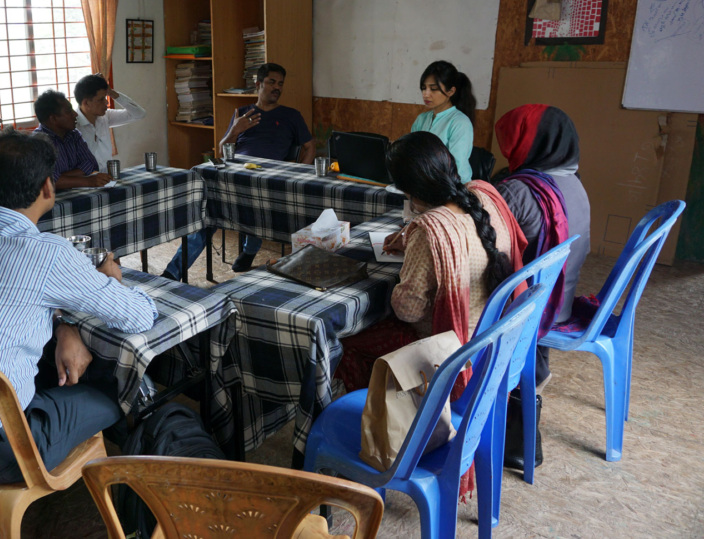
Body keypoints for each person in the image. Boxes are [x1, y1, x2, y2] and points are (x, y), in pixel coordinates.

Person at [0, 130, 157, 483]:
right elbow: (139, 315)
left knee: (56, 366)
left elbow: (8, 297)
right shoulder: (47, 253)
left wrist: (64, 325)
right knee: (119, 389)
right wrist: (112, 280)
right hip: (2, 448)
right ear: (47, 187)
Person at [335, 131, 525, 396]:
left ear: (407, 188)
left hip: (453, 351)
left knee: (347, 342)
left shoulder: (430, 229)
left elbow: (408, 311)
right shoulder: (483, 196)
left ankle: (382, 418)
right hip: (491, 334)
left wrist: (413, 253)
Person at [495, 104, 591, 471]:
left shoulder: (519, 190)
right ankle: (532, 379)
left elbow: (478, 241)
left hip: (531, 310)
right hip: (558, 303)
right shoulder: (574, 184)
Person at [162, 63, 315, 278]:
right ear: (258, 84)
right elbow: (223, 151)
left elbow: (310, 147)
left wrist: (297, 174)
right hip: (234, 177)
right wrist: (235, 129)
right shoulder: (243, 114)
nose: (277, 87)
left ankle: (249, 249)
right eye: (271, 82)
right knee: (206, 214)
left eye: (280, 84)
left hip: (267, 179)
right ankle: (173, 272)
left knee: (255, 208)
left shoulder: (291, 115)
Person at [410, 61, 475, 183]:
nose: (426, 94)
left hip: (453, 188)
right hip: (423, 184)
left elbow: (457, 168)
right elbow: (411, 153)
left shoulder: (460, 122)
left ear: (451, 91)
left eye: (433, 89)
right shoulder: (421, 119)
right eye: (424, 88)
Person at [34, 89, 111, 190]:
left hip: (76, 192)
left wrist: (62, 178)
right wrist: (88, 181)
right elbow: (47, 182)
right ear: (53, 119)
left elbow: (91, 163)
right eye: (68, 111)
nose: (75, 114)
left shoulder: (74, 135)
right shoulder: (37, 143)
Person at [74, 73, 147, 172]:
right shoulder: (72, 125)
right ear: (86, 103)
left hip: (109, 179)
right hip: (86, 183)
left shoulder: (105, 117)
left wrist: (112, 93)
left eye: (105, 97)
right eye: (101, 99)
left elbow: (139, 114)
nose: (106, 103)